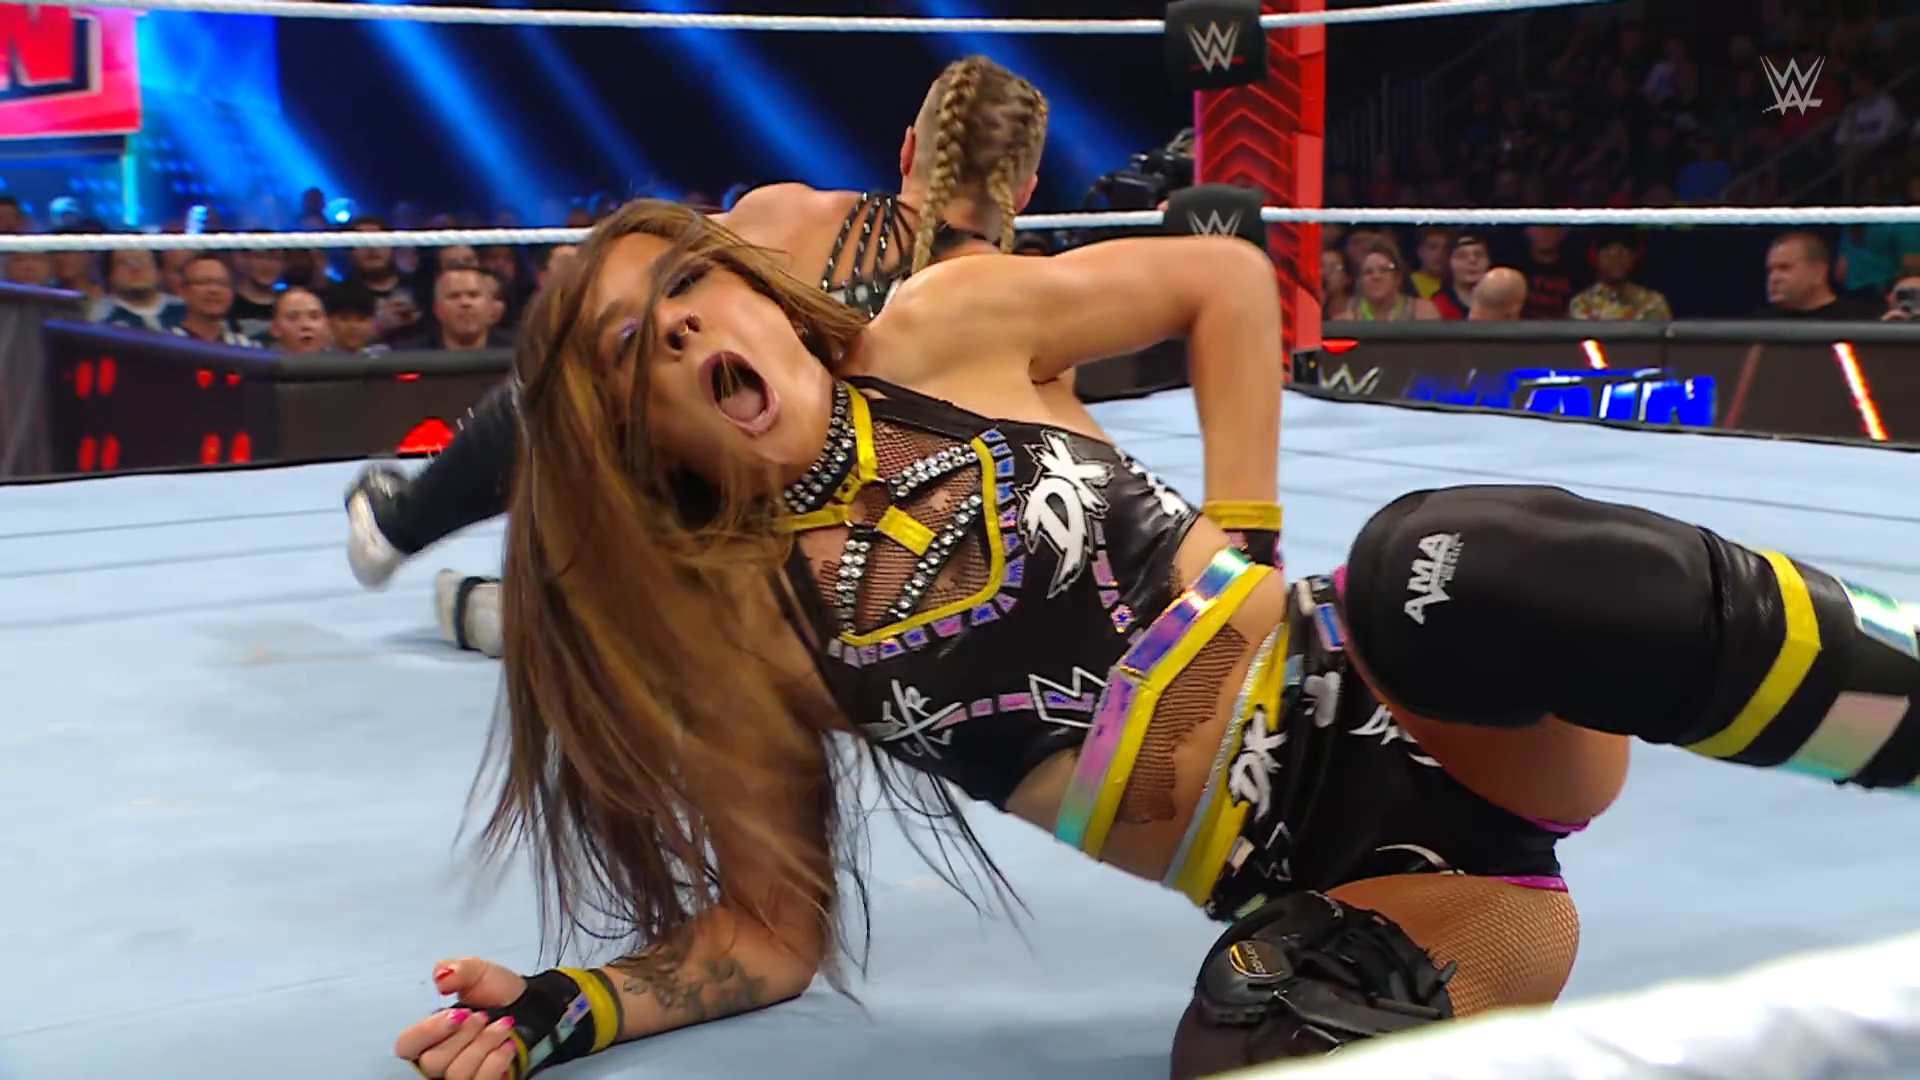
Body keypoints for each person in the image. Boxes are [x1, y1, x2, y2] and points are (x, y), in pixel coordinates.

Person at [392, 200, 1920, 1080]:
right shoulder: (749, 638)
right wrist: (574, 1008)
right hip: (1383, 896)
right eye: (626, 342)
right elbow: (764, 938)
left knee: (1440, 566)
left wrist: (1247, 538)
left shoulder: (946, 331)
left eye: (686, 287)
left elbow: (1224, 277)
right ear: (626, 429)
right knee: (1252, 1033)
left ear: (757, 296)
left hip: (1424, 691)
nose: (674, 327)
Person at [344, 55, 1060, 645]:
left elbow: (622, 296)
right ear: (1024, 193)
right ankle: (571, 607)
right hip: (879, 585)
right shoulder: (1038, 313)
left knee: (602, 361)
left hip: (746, 538)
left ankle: (414, 529)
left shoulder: (789, 217)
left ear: (908, 150)